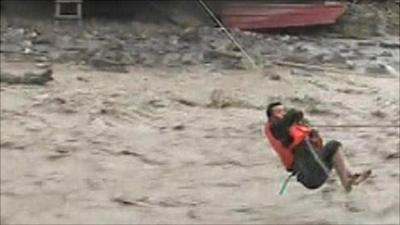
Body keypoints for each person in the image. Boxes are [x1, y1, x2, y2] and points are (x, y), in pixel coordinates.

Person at [264, 102, 371, 192]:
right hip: (311, 173)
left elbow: (291, 121)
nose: (283, 113)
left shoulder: (289, 129)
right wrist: (296, 115)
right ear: (271, 118)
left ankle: (348, 180)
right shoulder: (277, 129)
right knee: (331, 146)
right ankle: (348, 180)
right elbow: (290, 117)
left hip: (316, 171)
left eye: (284, 110)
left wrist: (309, 132)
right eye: (279, 111)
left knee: (334, 146)